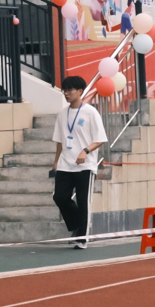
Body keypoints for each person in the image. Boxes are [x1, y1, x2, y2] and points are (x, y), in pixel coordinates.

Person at [49, 75, 107, 249]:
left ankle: (82, 237)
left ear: (80, 91)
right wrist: (56, 160)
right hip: (66, 163)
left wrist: (85, 150)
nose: (66, 93)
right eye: (64, 90)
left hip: (85, 165)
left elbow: (100, 139)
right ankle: (76, 225)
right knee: (59, 196)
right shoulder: (62, 113)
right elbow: (59, 139)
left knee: (83, 201)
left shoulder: (90, 112)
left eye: (70, 90)